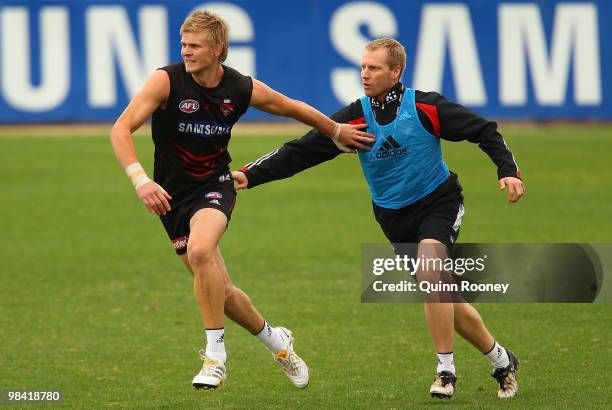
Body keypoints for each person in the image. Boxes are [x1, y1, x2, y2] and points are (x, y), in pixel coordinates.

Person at [232, 38, 525, 399]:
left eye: (373, 68)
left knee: (432, 269)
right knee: (446, 298)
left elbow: (484, 130)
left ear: (396, 71)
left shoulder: (424, 107)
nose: (364, 74)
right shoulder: (355, 119)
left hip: (439, 203)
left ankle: (445, 371)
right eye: (362, 67)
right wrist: (250, 174)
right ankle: (501, 359)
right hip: (392, 217)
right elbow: (303, 150)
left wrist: (508, 170)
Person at [110, 10, 375, 391]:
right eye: (183, 44)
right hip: (170, 197)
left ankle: (215, 356)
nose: (186, 51)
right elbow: (121, 128)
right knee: (223, 291)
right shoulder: (166, 81)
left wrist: (335, 130)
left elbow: (291, 106)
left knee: (202, 253)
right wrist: (140, 181)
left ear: (219, 50)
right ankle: (276, 341)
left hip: (214, 185)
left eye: (195, 45)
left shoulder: (239, 88)